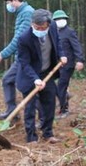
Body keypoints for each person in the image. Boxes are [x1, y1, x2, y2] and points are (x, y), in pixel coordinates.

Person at [16, 9, 67, 143]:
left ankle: (48, 133)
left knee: (49, 102)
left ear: (48, 25)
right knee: (30, 106)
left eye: (42, 27)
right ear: (32, 23)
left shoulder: (53, 28)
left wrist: (62, 55)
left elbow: (58, 43)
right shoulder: (24, 38)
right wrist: (36, 79)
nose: (39, 29)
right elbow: (24, 63)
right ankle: (31, 136)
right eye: (36, 27)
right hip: (29, 75)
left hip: (47, 72)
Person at [0, 0, 35, 121]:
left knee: (23, 85)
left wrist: (3, 54)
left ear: (15, 0)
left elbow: (19, 38)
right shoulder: (22, 13)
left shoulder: (27, 13)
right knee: (11, 80)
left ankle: (57, 97)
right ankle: (12, 112)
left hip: (26, 57)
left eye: (8, 2)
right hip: (22, 56)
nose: (8, 6)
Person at [52, 10, 85, 119]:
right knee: (52, 86)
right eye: (57, 19)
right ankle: (65, 96)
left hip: (68, 65)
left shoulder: (70, 32)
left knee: (61, 86)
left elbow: (77, 46)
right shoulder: (53, 32)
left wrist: (80, 60)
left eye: (62, 19)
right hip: (56, 65)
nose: (60, 21)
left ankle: (64, 109)